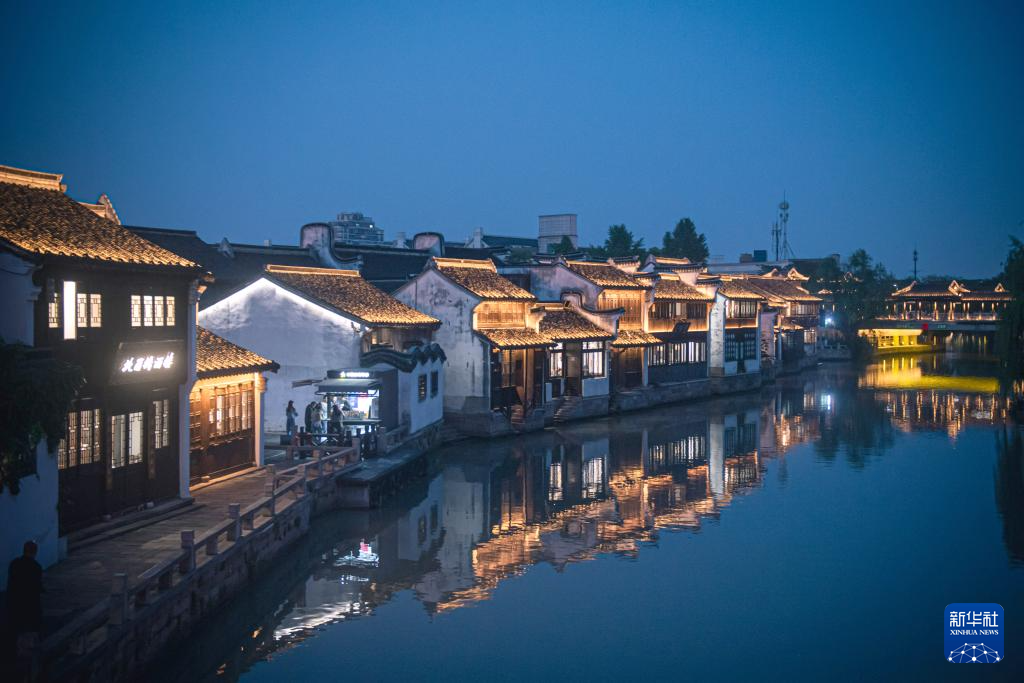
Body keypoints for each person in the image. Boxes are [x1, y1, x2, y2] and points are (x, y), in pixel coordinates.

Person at [6, 541, 43, 662]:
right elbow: (36, 588)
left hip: (14, 603)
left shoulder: (14, 564)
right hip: (30, 606)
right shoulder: (36, 567)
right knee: (29, 634)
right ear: (35, 552)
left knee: (16, 631)